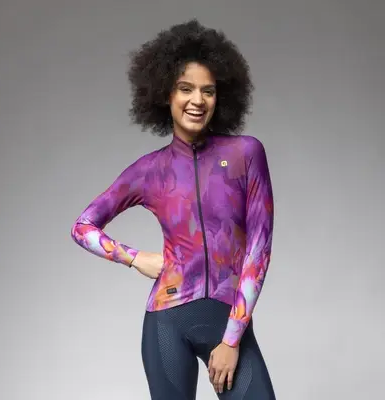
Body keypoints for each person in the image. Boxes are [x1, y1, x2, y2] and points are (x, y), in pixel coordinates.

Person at [71, 19, 276, 400]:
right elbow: (82, 227)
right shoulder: (149, 170)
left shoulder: (246, 153)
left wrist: (232, 339)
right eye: (185, 88)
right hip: (166, 322)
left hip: (228, 320)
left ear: (220, 97)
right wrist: (134, 258)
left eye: (208, 91)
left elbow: (258, 250)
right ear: (166, 94)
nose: (197, 100)